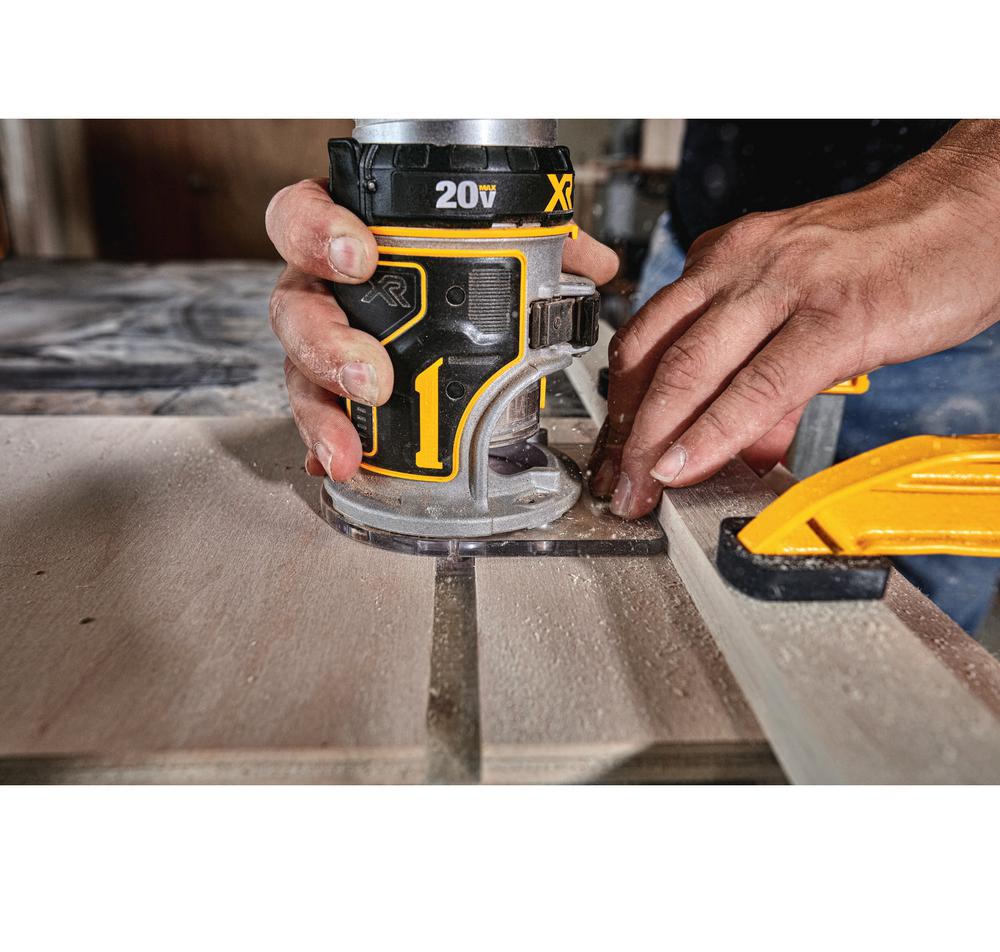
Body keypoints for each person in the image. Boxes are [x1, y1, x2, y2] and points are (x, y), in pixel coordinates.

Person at [265, 119, 1000, 632]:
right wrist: (378, 226)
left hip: (950, 285)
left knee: (912, 635)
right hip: (716, 253)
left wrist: (975, 193)